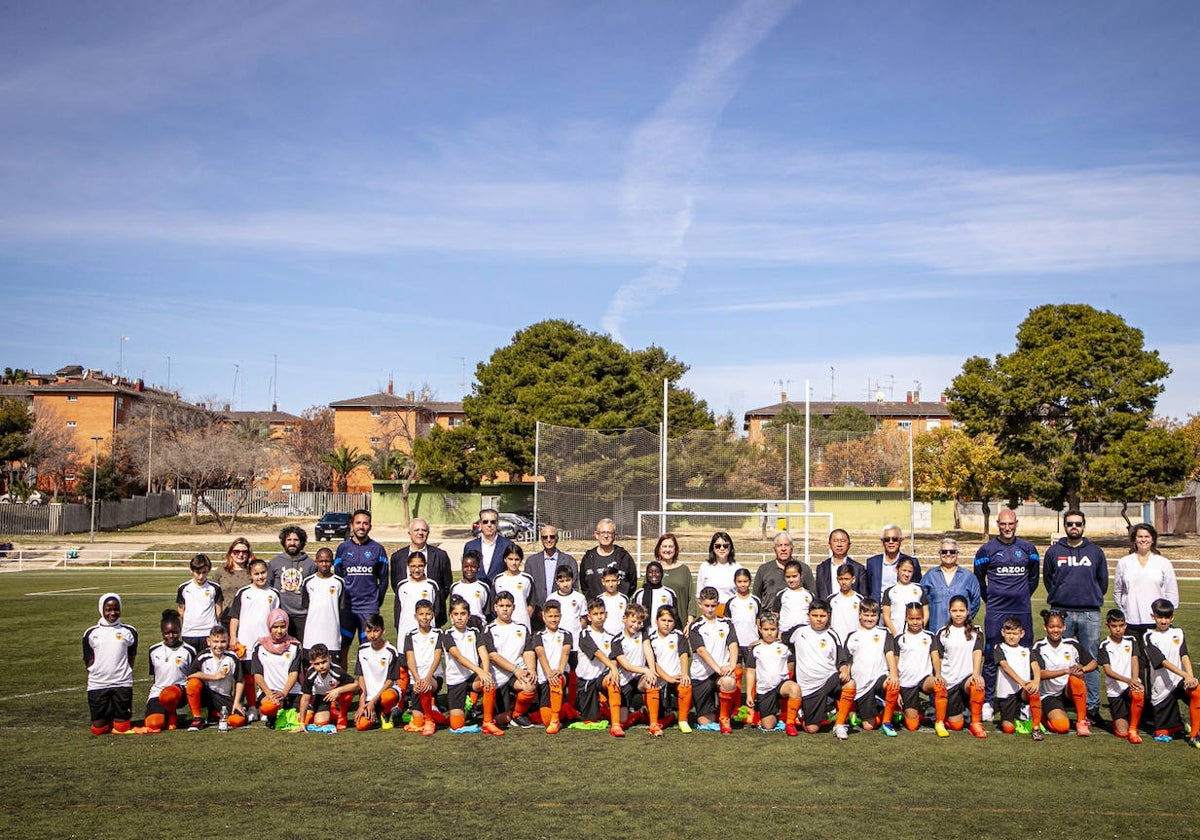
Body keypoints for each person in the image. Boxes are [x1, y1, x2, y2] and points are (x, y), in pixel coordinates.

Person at [1042, 509, 1108, 721]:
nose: (1074, 527)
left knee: (1090, 660)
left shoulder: (1095, 552)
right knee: (1058, 659)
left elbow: (1103, 581)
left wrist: (1090, 596)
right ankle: (1059, 701)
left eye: (1078, 524)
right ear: (1064, 525)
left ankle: (1091, 706)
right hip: (1061, 612)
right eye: (1070, 523)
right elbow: (1048, 579)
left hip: (1089, 613)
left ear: (1083, 526)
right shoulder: (1054, 552)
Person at [974, 508, 1040, 711]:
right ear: (997, 524)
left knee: (1025, 654)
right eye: (1003, 524)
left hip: (1021, 610)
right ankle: (988, 701)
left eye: (1010, 523)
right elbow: (979, 579)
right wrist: (993, 598)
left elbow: (1034, 579)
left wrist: (1020, 596)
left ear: (1017, 523)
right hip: (996, 611)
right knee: (992, 653)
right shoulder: (986, 550)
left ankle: (1024, 702)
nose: (1007, 527)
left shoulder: (1029, 549)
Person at [789, 599, 856, 739]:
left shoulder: (832, 634)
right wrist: (761, 641)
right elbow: (777, 637)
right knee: (812, 729)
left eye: (822, 616)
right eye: (815, 616)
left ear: (828, 616)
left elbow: (841, 660)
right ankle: (808, 711)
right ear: (808, 616)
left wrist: (844, 670)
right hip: (808, 687)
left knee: (850, 683)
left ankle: (839, 724)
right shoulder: (798, 632)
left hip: (828, 679)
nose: (819, 619)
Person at [1141, 598, 1200, 746]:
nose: (1163, 621)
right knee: (1163, 733)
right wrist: (1185, 675)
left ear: (1172, 617)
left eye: (1167, 617)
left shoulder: (1178, 633)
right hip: (1162, 687)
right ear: (1152, 616)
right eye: (1160, 617)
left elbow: (1184, 655)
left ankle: (1195, 734)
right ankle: (1179, 724)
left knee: (1197, 692)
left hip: (1180, 681)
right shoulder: (1148, 636)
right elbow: (1162, 662)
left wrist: (1190, 677)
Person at [227, 558, 281, 717]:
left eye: (263, 573)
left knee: (265, 676)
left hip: (266, 644)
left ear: (268, 573)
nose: (260, 576)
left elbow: (278, 619)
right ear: (250, 575)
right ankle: (251, 706)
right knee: (249, 677)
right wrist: (233, 637)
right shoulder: (243, 593)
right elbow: (235, 617)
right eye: (256, 574)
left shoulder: (274, 594)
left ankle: (266, 704)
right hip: (246, 642)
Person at [440, 595, 501, 736]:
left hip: (472, 677)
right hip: (456, 680)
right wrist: (481, 671)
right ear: (451, 616)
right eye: (456, 614)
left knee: (489, 684)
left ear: (468, 615)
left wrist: (485, 673)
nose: (459, 617)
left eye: (463, 614)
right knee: (456, 726)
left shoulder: (474, 632)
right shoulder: (447, 634)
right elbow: (458, 657)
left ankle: (487, 722)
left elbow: (483, 652)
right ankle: (467, 703)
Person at [1031, 608, 1095, 737]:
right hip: (1050, 695)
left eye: (1059, 627)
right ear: (1045, 627)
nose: (1055, 630)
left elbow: (1092, 663)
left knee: (1076, 678)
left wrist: (1082, 669)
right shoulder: (1039, 646)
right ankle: (1044, 716)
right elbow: (1040, 674)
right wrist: (1065, 671)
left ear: (1064, 627)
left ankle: (1082, 721)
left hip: (1068, 692)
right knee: (1062, 727)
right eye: (1052, 627)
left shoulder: (1072, 644)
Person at [334, 509, 390, 656]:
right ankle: (344, 680)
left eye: (365, 523)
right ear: (352, 525)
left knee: (369, 650)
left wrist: (376, 601)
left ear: (370, 526)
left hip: (368, 607)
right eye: (358, 523)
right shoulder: (343, 548)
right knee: (342, 649)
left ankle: (366, 680)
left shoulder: (377, 549)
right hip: (347, 608)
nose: (361, 526)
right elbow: (338, 577)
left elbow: (384, 579)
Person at [930, 595, 987, 739]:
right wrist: (938, 674)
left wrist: (976, 673)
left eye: (961, 610)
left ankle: (976, 723)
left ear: (968, 611)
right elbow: (939, 658)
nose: (958, 614)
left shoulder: (976, 632)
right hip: (950, 682)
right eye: (954, 610)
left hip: (966, 679)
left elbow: (977, 652)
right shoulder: (943, 633)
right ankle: (952, 716)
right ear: (949, 611)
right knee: (957, 725)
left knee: (977, 684)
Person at [843, 598, 900, 736]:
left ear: (878, 616)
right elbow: (847, 661)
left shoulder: (884, 633)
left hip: (879, 677)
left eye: (873, 615)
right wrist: (846, 674)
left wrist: (893, 673)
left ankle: (886, 722)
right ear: (860, 615)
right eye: (866, 615)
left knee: (892, 685)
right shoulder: (852, 636)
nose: (869, 619)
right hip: (862, 684)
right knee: (868, 726)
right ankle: (881, 709)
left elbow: (889, 653)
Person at [83, 593, 138, 736]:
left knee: (122, 728)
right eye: (108, 609)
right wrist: (98, 673)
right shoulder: (91, 633)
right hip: (98, 684)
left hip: (122, 683)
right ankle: (106, 715)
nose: (113, 613)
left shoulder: (129, 631)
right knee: (98, 730)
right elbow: (88, 661)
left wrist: (123, 672)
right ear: (102, 609)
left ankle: (117, 715)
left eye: (116, 609)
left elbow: (131, 657)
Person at [1114, 523, 1179, 643]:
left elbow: (1171, 591)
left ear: (1153, 539)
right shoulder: (1124, 562)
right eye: (1140, 537)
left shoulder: (1163, 563)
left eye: (1147, 536)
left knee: (1157, 660)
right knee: (1135, 660)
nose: (1143, 540)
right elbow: (1118, 590)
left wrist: (1165, 616)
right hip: (1132, 621)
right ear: (1134, 539)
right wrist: (1124, 610)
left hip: (1156, 622)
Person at [688, 586, 740, 733]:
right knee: (705, 723)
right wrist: (718, 669)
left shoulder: (726, 623)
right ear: (700, 604)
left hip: (721, 673)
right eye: (706, 606)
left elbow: (733, 645)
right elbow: (701, 651)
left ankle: (724, 717)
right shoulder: (695, 626)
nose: (710, 609)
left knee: (729, 680)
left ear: (718, 604)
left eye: (713, 606)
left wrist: (731, 666)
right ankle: (713, 710)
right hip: (702, 675)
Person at [484, 591, 537, 728]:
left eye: (508, 605)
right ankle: (508, 710)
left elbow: (528, 650)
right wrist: (515, 670)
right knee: (502, 719)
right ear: (495, 607)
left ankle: (517, 715)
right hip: (497, 674)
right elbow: (492, 656)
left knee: (529, 685)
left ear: (513, 607)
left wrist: (531, 669)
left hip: (517, 672)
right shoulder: (489, 629)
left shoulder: (522, 628)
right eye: (501, 605)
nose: (505, 609)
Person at [608, 603, 660, 736]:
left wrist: (652, 670)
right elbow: (626, 666)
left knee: (651, 681)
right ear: (624, 618)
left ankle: (653, 724)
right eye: (633, 621)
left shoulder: (642, 633)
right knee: (623, 721)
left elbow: (648, 651)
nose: (636, 625)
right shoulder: (617, 640)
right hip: (624, 681)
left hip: (639, 679)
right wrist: (645, 670)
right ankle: (639, 714)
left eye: (639, 622)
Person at [745, 611, 801, 734]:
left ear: (778, 629)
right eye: (766, 629)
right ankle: (775, 714)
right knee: (768, 725)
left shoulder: (785, 647)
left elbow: (791, 665)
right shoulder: (756, 649)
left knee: (794, 688)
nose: (769, 633)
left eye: (773, 629)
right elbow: (750, 671)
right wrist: (749, 694)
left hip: (782, 685)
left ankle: (790, 723)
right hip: (765, 690)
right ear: (760, 629)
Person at [390, 518, 452, 626]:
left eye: (424, 530)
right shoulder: (397, 557)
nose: (420, 533)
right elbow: (396, 585)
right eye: (416, 530)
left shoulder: (440, 556)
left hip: (432, 617)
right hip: (406, 617)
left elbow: (446, 585)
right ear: (409, 533)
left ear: (428, 533)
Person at [185, 623, 246, 730]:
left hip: (223, 697)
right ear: (209, 642)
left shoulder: (232, 657)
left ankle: (215, 714)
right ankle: (197, 718)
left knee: (238, 720)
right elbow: (191, 673)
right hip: (207, 694)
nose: (219, 645)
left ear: (228, 641)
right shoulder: (203, 655)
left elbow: (240, 680)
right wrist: (214, 677)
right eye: (215, 641)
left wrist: (237, 702)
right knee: (193, 683)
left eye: (223, 641)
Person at [142, 609, 193, 733]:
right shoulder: (154, 650)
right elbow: (155, 676)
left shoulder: (188, 650)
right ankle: (167, 713)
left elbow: (192, 677)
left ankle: (172, 715)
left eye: (175, 632)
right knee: (154, 723)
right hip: (159, 692)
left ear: (180, 631)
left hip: (180, 692)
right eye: (167, 633)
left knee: (169, 694)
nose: (171, 636)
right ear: (162, 632)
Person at [1097, 608, 1144, 744]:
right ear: (1108, 626)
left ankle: (1133, 729)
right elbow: (1108, 670)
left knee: (1138, 691)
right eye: (1114, 626)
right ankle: (1118, 716)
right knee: (1121, 733)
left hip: (1130, 685)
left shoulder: (1131, 640)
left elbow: (1135, 660)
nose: (1118, 629)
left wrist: (1134, 679)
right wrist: (1127, 680)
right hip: (1115, 691)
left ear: (1125, 625)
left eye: (1121, 626)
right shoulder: (1104, 645)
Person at [993, 616, 1044, 741]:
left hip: (1023, 692)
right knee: (1008, 728)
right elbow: (1005, 666)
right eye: (1009, 633)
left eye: (1015, 633)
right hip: (1007, 693)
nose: (1011, 636)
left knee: (1034, 691)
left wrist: (1036, 681)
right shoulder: (999, 648)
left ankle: (1036, 727)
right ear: (1002, 633)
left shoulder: (1026, 650)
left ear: (1022, 634)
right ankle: (1019, 718)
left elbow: (1036, 666)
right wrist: (1022, 682)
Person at [574, 598, 620, 728]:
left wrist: (613, 668)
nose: (599, 617)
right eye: (595, 614)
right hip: (586, 680)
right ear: (589, 617)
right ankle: (602, 704)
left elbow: (614, 658)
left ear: (606, 614)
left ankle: (616, 724)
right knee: (590, 720)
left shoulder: (611, 637)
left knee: (613, 681)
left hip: (602, 678)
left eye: (601, 613)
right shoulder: (584, 634)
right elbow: (597, 653)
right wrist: (612, 666)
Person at [252, 608, 303, 727]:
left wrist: (284, 694)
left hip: (291, 692)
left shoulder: (294, 646)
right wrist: (269, 694)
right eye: (275, 627)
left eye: (282, 626)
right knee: (269, 707)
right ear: (269, 627)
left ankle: (283, 714)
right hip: (269, 692)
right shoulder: (260, 646)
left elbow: (293, 674)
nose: (279, 631)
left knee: (309, 715)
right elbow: (257, 675)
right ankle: (275, 714)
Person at [402, 599, 445, 736]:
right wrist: (416, 679)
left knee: (426, 687)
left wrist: (426, 678)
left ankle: (430, 721)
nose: (424, 617)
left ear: (432, 615)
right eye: (421, 614)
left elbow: (437, 658)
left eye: (427, 614)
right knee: (418, 720)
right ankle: (432, 713)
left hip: (433, 678)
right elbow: (410, 659)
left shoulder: (438, 634)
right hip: (417, 680)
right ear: (416, 616)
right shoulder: (410, 635)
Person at [267, 525, 316, 643]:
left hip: (303, 615)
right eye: (289, 540)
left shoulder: (310, 564)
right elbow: (268, 588)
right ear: (284, 542)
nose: (292, 543)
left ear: (301, 542)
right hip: (281, 615)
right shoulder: (274, 563)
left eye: (296, 540)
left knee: (304, 651)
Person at [353, 614, 402, 731]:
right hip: (369, 698)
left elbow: (390, 681)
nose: (372, 635)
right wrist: (362, 703)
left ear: (383, 631)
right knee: (361, 725)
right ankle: (375, 715)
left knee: (388, 697)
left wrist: (374, 701)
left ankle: (386, 713)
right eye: (369, 631)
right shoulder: (362, 650)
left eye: (376, 631)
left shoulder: (391, 651)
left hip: (385, 693)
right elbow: (361, 676)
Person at [649, 604, 692, 733]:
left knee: (686, 685)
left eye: (670, 621)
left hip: (676, 677)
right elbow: (652, 662)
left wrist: (684, 673)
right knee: (650, 685)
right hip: (659, 679)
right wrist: (667, 678)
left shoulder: (678, 636)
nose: (666, 624)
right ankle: (655, 721)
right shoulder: (650, 638)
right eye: (663, 620)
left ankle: (683, 720)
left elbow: (683, 655)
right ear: (656, 620)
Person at [896, 602, 938, 733]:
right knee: (912, 726)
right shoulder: (899, 639)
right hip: (906, 683)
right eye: (911, 618)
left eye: (918, 618)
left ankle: (940, 722)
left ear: (923, 618)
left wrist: (938, 675)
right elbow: (895, 665)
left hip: (924, 679)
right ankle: (907, 713)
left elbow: (935, 658)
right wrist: (897, 690)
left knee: (939, 684)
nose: (915, 622)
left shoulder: (930, 636)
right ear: (906, 618)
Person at [922, 537, 980, 632]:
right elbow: (922, 600)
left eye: (952, 551)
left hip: (961, 631)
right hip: (935, 629)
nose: (948, 554)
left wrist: (964, 619)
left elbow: (976, 602)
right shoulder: (930, 576)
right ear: (939, 554)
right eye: (944, 552)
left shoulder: (968, 577)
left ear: (957, 554)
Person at [526, 525, 578, 630]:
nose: (548, 540)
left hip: (562, 618)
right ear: (541, 539)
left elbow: (574, 588)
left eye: (552, 537)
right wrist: (539, 612)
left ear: (557, 538)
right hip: (537, 618)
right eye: (545, 537)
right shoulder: (531, 562)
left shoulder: (569, 561)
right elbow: (529, 591)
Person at [530, 600, 571, 734]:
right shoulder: (538, 635)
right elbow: (541, 655)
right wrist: (548, 673)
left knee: (557, 681)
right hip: (545, 677)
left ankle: (555, 721)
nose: (554, 619)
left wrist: (560, 670)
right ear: (543, 616)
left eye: (556, 616)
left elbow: (565, 653)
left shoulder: (566, 634)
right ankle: (561, 712)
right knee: (545, 719)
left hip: (561, 674)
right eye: (550, 616)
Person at [300, 547, 345, 664]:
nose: (324, 564)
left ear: (332, 562)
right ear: (316, 562)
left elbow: (341, 608)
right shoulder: (308, 582)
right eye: (321, 561)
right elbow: (306, 605)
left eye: (327, 561)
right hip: (312, 636)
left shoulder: (339, 582)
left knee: (332, 671)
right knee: (311, 671)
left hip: (332, 636)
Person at [296, 643, 355, 731]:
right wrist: (302, 723)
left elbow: (356, 684)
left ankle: (341, 713)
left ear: (330, 659)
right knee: (309, 720)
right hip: (317, 697)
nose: (321, 666)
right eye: (317, 664)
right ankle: (328, 712)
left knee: (347, 694)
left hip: (333, 697)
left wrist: (338, 690)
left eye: (324, 662)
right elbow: (305, 698)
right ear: (311, 663)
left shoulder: (337, 671)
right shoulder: (310, 674)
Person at [753, 531, 815, 606]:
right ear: (774, 549)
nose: (783, 548)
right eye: (780, 545)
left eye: (786, 545)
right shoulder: (764, 570)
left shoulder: (804, 569)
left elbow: (813, 596)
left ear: (791, 548)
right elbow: (756, 597)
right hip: (769, 616)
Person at [579, 518, 637, 598]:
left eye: (609, 533)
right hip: (595, 608)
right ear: (596, 535)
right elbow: (584, 586)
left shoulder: (624, 557)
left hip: (618, 608)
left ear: (615, 536)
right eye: (603, 532)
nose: (606, 536)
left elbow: (632, 584)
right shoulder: (588, 558)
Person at [176, 553, 222, 653]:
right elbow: (181, 610)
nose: (201, 576)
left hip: (209, 633)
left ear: (209, 570)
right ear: (191, 570)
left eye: (204, 572)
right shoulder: (183, 588)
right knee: (190, 665)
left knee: (207, 664)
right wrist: (191, 621)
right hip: (189, 633)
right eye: (197, 572)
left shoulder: (215, 588)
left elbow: (218, 611)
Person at [864, 524, 921, 602]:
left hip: (902, 609)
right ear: (882, 542)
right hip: (878, 610)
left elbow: (917, 587)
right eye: (887, 539)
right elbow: (869, 587)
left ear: (900, 541)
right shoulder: (872, 563)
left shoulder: (912, 562)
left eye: (895, 539)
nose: (891, 542)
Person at [395, 552, 443, 642]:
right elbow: (397, 612)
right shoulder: (402, 585)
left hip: (427, 635)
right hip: (406, 632)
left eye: (420, 566)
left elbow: (437, 610)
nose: (417, 570)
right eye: (413, 566)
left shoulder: (431, 585)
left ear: (425, 566)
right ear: (408, 566)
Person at [464, 508, 514, 583]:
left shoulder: (508, 545)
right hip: (477, 591)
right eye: (485, 522)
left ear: (497, 524)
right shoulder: (470, 546)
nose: (489, 525)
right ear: (480, 524)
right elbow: (466, 572)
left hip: (499, 591)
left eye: (493, 522)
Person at [492, 544, 536, 629]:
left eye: (516, 559)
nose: (513, 563)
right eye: (510, 559)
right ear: (505, 559)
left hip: (522, 624)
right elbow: (494, 604)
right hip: (502, 625)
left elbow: (532, 604)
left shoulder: (527, 579)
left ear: (521, 560)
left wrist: (524, 619)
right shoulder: (498, 579)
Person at [814, 529, 866, 600]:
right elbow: (818, 593)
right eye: (835, 541)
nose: (839, 544)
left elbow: (863, 595)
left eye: (843, 541)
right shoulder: (822, 568)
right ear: (829, 544)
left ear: (849, 545)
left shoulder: (858, 568)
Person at [882, 557, 927, 637]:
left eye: (910, 571)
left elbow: (925, 611)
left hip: (915, 634)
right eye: (904, 570)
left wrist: (921, 627)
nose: (906, 574)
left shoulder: (918, 589)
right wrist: (894, 634)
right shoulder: (889, 591)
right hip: (895, 633)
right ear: (897, 569)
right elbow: (886, 615)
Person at [655, 533, 694, 624]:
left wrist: (690, 622)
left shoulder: (684, 570)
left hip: (681, 624)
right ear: (659, 549)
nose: (667, 550)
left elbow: (691, 598)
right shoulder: (653, 570)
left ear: (675, 549)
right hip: (658, 625)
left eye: (670, 546)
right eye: (664, 546)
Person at [768, 559, 814, 637]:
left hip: (804, 634)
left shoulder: (809, 595)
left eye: (794, 576)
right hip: (785, 633)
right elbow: (775, 615)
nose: (791, 580)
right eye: (788, 577)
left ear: (801, 575)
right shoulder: (781, 595)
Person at [695, 532, 744, 605]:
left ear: (730, 548)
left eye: (725, 546)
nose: (722, 548)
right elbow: (699, 595)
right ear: (712, 547)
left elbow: (743, 594)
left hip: (731, 612)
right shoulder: (705, 567)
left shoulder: (737, 568)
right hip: (710, 612)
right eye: (718, 546)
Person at [450, 550, 494, 630]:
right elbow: (452, 609)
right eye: (466, 566)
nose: (469, 569)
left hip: (478, 628)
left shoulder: (483, 587)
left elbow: (487, 612)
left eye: (473, 567)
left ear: (478, 568)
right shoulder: (455, 587)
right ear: (462, 567)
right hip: (459, 628)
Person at [209, 538, 254, 616]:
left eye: (244, 552)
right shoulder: (220, 572)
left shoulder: (253, 573)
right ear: (231, 553)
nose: (240, 554)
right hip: (224, 618)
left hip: (246, 618)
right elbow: (212, 596)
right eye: (237, 551)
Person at [546, 565, 588, 646]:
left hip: (575, 641)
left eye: (568, 580)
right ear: (557, 581)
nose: (565, 584)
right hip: (557, 642)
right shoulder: (551, 598)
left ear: (572, 580)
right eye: (562, 581)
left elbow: (583, 620)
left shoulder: (580, 598)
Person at [633, 561, 677, 627]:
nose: (654, 574)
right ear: (647, 574)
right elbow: (634, 615)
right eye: (650, 572)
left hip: (663, 632)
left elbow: (674, 615)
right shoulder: (639, 593)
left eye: (657, 572)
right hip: (643, 632)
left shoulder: (669, 593)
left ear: (661, 574)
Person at [828, 564, 863, 641]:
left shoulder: (860, 599)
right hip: (837, 640)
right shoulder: (831, 599)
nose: (843, 582)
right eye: (841, 579)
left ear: (853, 579)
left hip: (855, 639)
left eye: (847, 579)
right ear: (837, 580)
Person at [598, 567, 629, 636]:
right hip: (604, 636)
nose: (611, 584)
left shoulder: (624, 599)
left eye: (613, 581)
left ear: (618, 581)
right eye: (607, 581)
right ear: (603, 582)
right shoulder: (600, 599)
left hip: (621, 636)